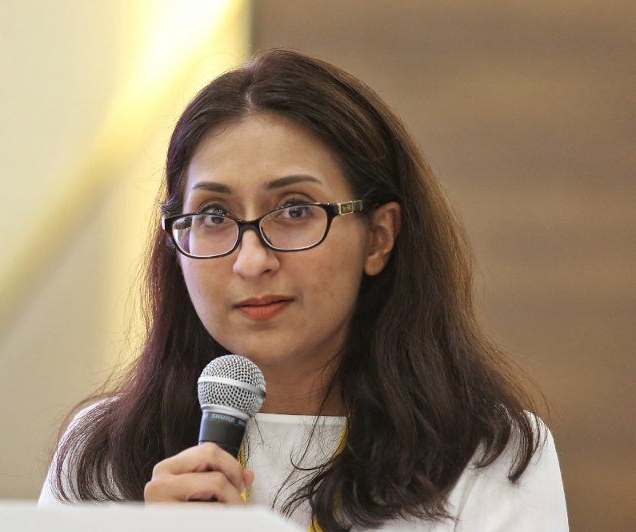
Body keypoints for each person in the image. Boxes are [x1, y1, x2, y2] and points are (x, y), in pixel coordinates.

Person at [39, 50, 569, 531]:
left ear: (378, 237)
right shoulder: (101, 456)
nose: (252, 261)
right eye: (214, 215)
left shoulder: (488, 456)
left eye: (295, 210)